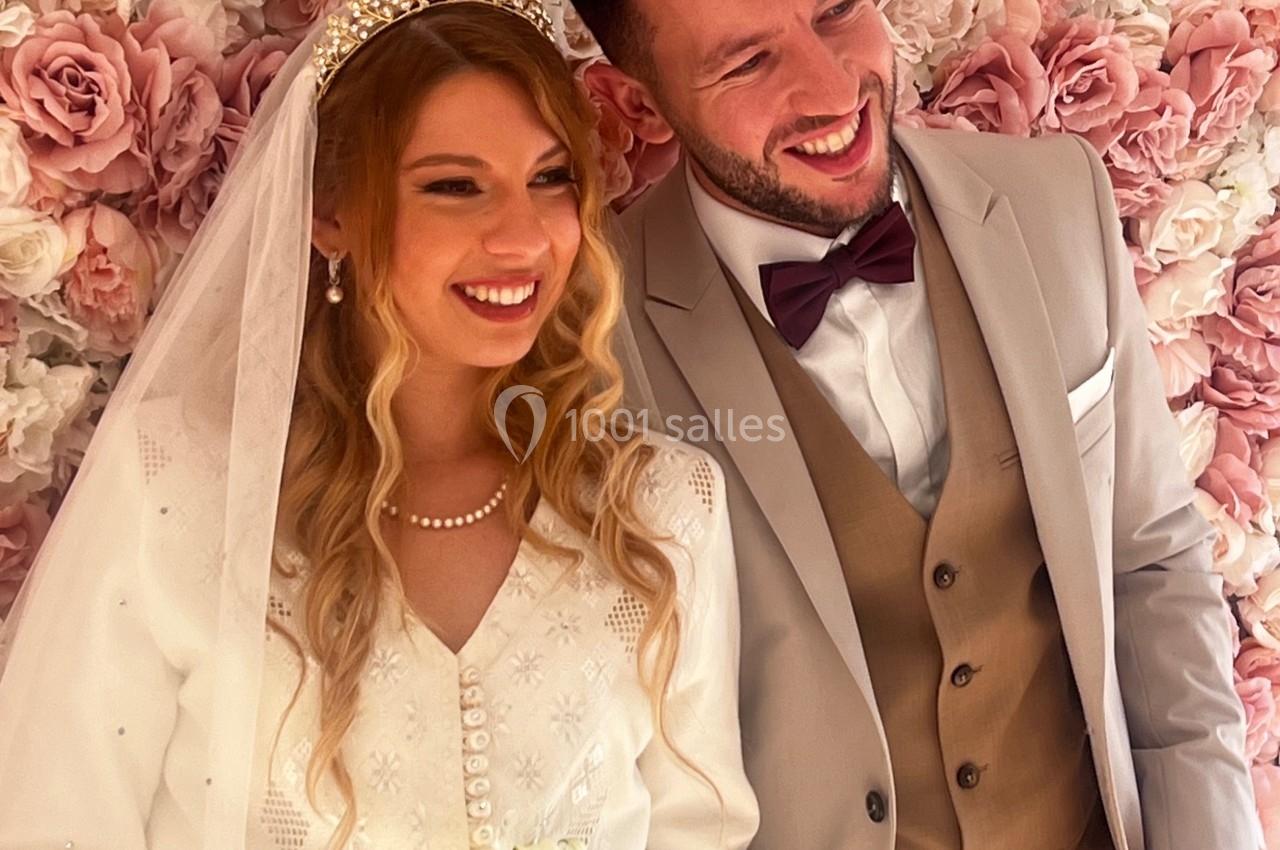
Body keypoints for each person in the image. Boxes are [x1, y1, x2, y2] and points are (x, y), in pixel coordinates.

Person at [0, 2, 759, 848]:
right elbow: (51, 817)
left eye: (551, 178)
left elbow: (701, 831)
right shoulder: (175, 487)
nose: (523, 239)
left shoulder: (659, 508)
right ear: (330, 214)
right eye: (453, 186)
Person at [570, 0, 1260, 847]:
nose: (831, 89)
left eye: (835, 11)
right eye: (748, 61)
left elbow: (1152, 559)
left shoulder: (1056, 201)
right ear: (637, 105)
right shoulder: (588, 347)